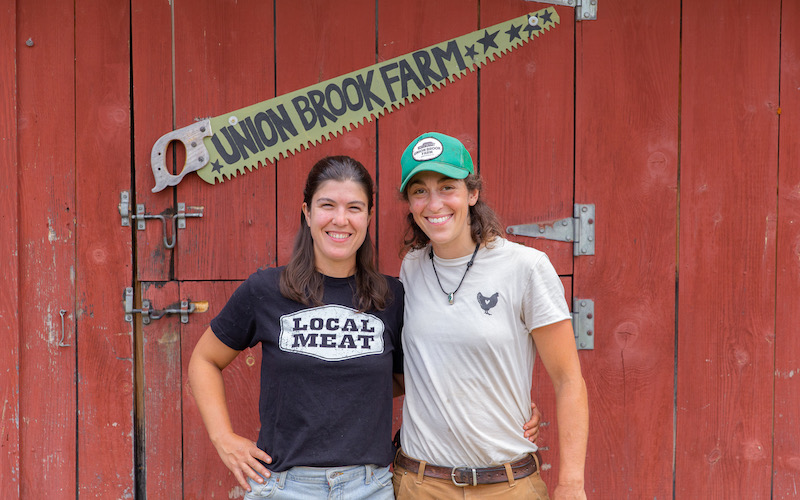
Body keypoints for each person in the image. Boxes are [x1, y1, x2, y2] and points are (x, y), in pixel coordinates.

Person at [188, 156, 404, 499]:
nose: (340, 219)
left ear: (368, 217)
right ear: (307, 212)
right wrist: (223, 438)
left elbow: (410, 379)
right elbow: (204, 361)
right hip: (284, 487)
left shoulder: (392, 297)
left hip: (370, 488)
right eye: (327, 205)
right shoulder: (265, 290)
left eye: (355, 208)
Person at [392, 132, 589, 500]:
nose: (434, 203)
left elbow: (568, 380)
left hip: (508, 486)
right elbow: (420, 369)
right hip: (421, 485)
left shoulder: (525, 267)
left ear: (472, 193)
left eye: (447, 187)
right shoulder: (412, 268)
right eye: (419, 191)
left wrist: (571, 484)